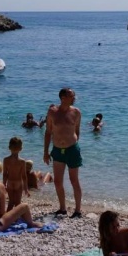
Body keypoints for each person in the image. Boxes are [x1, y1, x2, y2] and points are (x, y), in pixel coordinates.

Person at [44, 87, 83, 217]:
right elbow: (48, 132)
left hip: (72, 149)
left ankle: (77, 211)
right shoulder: (52, 112)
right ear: (63, 98)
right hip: (57, 150)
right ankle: (62, 208)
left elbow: (77, 130)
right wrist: (45, 152)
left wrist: (73, 143)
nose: (74, 98)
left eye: (73, 96)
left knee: (74, 180)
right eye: (71, 96)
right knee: (57, 181)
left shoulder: (76, 112)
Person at [2, 136, 29, 210]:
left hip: (10, 183)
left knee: (11, 202)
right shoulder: (22, 161)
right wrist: (26, 189)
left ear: (9, 148)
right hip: (18, 183)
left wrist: (4, 185)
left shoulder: (6, 160)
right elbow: (24, 176)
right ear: (21, 148)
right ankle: (17, 216)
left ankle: (7, 215)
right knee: (18, 203)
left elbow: (5, 174)